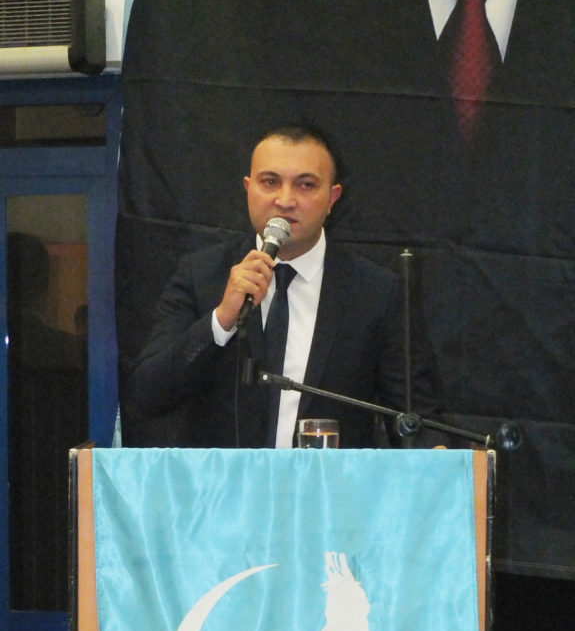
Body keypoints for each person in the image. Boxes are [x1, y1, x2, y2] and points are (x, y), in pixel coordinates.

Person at [131, 124, 441, 449]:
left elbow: (415, 420)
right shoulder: (201, 275)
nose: (285, 200)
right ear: (248, 189)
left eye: (306, 185)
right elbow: (148, 395)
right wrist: (220, 321)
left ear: (332, 198)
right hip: (222, 481)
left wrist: (439, 455)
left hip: (327, 482)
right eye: (270, 182)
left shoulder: (376, 292)